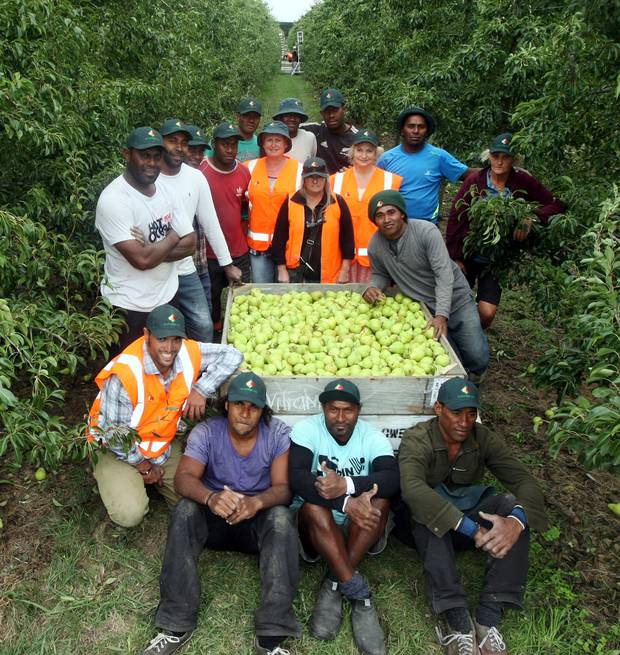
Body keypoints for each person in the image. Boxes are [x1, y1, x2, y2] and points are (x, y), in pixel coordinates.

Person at [143, 372, 300, 655]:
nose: (245, 412)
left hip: (255, 524)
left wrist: (256, 503)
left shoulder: (277, 433)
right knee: (185, 510)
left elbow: (284, 489)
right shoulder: (206, 432)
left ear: (263, 410)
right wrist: (211, 497)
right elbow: (184, 478)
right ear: (227, 405)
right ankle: (176, 623)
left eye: (253, 406)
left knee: (281, 518)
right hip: (214, 520)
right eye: (239, 404)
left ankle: (271, 635)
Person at [397, 378, 548, 655]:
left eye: (471, 413)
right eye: (456, 412)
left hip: (464, 520)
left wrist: (515, 522)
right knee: (426, 509)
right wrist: (470, 529)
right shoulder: (418, 438)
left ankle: (488, 617)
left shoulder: (483, 438)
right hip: (421, 527)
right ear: (438, 409)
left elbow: (524, 481)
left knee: (512, 504)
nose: (465, 422)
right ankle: (457, 623)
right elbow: (413, 489)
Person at [87, 305, 243, 528]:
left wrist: (201, 390)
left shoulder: (187, 353)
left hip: (160, 444)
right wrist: (146, 467)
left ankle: (149, 479)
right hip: (115, 449)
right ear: (146, 336)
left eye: (176, 339)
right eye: (162, 339)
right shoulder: (126, 374)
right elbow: (114, 436)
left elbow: (233, 355)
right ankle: (114, 474)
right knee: (129, 514)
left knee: (195, 501)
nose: (170, 348)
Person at [289, 379, 399, 655]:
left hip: (356, 528)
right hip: (316, 527)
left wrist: (348, 486)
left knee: (381, 500)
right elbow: (297, 478)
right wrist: (345, 502)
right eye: (333, 410)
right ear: (323, 408)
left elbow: (393, 479)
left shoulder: (371, 436)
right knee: (313, 507)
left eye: (347, 410)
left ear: (358, 410)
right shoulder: (307, 430)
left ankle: (336, 580)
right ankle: (360, 595)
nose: (340, 417)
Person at [363, 190, 489, 379]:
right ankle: (460, 381)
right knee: (444, 356)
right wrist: (372, 287)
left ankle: (475, 376)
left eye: (391, 212)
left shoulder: (426, 232)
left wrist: (441, 314)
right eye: (379, 216)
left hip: (456, 299)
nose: (386, 219)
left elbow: (444, 274)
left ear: (402, 214)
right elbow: (380, 273)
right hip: (422, 306)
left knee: (477, 355)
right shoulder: (376, 245)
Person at [446, 132, 566, 328]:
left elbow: (556, 204)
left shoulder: (523, 182)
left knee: (487, 313)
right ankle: (458, 339)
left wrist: (532, 217)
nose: (499, 162)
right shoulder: (475, 181)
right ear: (488, 157)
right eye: (495, 157)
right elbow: (455, 219)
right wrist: (455, 257)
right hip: (468, 254)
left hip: (497, 259)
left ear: (514, 160)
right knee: (454, 301)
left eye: (505, 158)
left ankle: (473, 334)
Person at [95, 127, 195, 352]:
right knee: (128, 374)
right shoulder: (114, 200)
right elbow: (141, 261)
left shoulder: (165, 190)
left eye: (156, 156)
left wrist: (151, 249)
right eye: (144, 155)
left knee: (166, 367)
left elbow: (190, 244)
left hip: (168, 296)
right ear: (127, 154)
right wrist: (172, 235)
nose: (151, 162)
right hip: (129, 307)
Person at [153, 118, 241, 343]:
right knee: (163, 329)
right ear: (160, 143)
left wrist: (227, 265)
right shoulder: (149, 177)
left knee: (203, 324)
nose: (179, 147)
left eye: (183, 142)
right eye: (172, 141)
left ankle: (201, 372)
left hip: (186, 267)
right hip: (154, 271)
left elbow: (210, 223)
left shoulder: (195, 178)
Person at [377, 107, 476, 223]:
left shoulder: (438, 156)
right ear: (402, 130)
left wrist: (495, 170)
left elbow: (466, 174)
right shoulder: (387, 159)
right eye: (411, 126)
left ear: (427, 131)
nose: (415, 131)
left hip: (427, 226)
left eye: (421, 127)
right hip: (395, 226)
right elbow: (373, 187)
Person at [330, 129, 402, 283]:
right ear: (352, 152)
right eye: (359, 150)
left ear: (376, 154)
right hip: (342, 259)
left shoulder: (390, 181)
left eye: (369, 151)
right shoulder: (335, 181)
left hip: (376, 259)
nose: (364, 155)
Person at [199, 122, 252, 330]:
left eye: (233, 145)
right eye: (225, 144)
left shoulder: (244, 172)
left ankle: (241, 333)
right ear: (214, 144)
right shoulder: (201, 172)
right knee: (211, 299)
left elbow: (248, 206)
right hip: (210, 253)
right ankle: (215, 330)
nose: (230, 150)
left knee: (243, 298)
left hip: (238, 249)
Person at [271, 157, 354, 284]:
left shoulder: (338, 202)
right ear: (304, 179)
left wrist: (344, 270)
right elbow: (279, 239)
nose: (315, 181)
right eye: (311, 177)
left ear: (326, 178)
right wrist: (281, 270)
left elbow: (347, 240)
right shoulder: (291, 201)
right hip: (295, 274)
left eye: (319, 177)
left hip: (330, 275)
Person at [245, 121, 303, 283]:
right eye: (269, 140)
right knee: (261, 293)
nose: (273, 144)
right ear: (262, 143)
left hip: (288, 246)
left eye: (278, 140)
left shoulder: (300, 170)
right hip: (259, 248)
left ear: (286, 144)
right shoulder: (249, 168)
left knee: (286, 297)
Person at [303, 88, 359, 174]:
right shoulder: (317, 130)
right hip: (320, 185)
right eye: (326, 111)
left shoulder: (357, 138)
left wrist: (356, 172)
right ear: (321, 113)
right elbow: (290, 126)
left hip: (345, 184)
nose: (331, 115)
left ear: (344, 110)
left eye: (335, 110)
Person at [205, 97, 262, 163]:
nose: (251, 120)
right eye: (247, 116)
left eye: (256, 117)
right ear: (238, 116)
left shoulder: (261, 145)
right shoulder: (221, 140)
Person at [273, 98, 316, 163]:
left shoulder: (309, 138)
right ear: (280, 118)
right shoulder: (272, 140)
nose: (292, 119)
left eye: (296, 116)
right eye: (287, 115)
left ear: (301, 119)